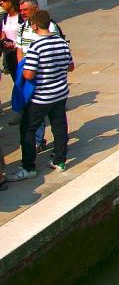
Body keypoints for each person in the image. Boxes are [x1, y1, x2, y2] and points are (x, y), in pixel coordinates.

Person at [9, 9, 74, 180]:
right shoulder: (61, 42)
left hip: (41, 96)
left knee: (28, 129)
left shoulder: (36, 46)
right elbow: (70, 66)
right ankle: (59, 161)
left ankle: (29, 166)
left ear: (35, 26)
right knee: (59, 127)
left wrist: (24, 71)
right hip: (60, 93)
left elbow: (29, 74)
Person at [14, 0, 60, 150]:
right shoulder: (22, 28)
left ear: (35, 8)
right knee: (31, 109)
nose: (22, 13)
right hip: (29, 73)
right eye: (21, 10)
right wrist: (23, 69)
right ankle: (39, 141)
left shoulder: (50, 27)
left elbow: (54, 50)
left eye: (25, 9)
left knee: (47, 114)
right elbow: (19, 50)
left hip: (44, 76)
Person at [1, 0, 21, 79]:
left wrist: (15, 45)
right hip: (9, 55)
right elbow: (3, 35)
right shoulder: (5, 17)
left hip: (20, 54)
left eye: (4, 0)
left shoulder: (21, 17)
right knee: (15, 79)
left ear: (12, 2)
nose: (1, 2)